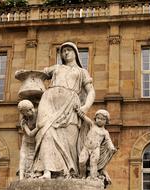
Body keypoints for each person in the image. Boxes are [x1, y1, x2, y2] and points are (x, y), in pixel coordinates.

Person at [32, 42, 95, 179]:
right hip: (48, 101)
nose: (65, 53)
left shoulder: (81, 72)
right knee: (45, 132)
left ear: (76, 53)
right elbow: (38, 75)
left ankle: (67, 171)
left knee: (69, 140)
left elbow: (91, 92)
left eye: (69, 50)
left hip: (70, 105)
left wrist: (85, 107)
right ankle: (47, 170)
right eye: (63, 51)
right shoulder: (56, 68)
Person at [76, 109, 116, 181]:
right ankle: (82, 175)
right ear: (95, 118)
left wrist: (112, 147)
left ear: (106, 121)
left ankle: (93, 178)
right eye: (98, 118)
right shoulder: (92, 125)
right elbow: (85, 118)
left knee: (93, 163)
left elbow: (108, 140)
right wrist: (78, 111)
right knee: (81, 161)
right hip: (86, 147)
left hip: (95, 149)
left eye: (102, 119)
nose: (99, 120)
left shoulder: (105, 132)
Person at [18, 100, 38, 180]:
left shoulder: (37, 112)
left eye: (32, 108)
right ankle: (21, 178)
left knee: (32, 158)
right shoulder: (23, 121)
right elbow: (30, 133)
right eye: (29, 110)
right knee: (23, 157)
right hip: (26, 141)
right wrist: (38, 127)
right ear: (23, 112)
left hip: (35, 141)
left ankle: (31, 174)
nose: (32, 111)